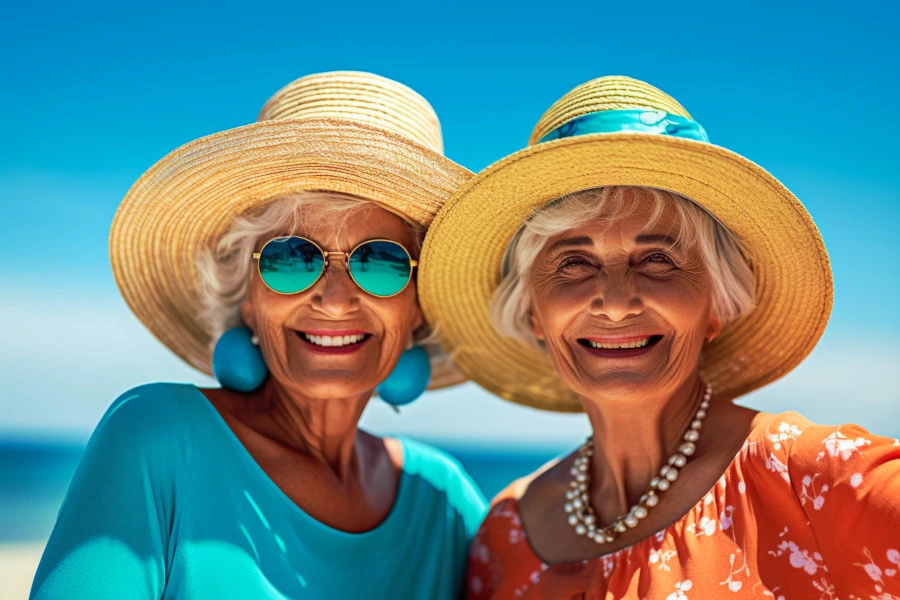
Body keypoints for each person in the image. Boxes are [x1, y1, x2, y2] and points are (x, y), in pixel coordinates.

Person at [418, 75, 900, 598]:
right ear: (534, 315)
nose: (618, 301)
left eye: (658, 259)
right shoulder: (504, 533)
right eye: (574, 263)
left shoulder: (823, 478)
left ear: (715, 307)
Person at [31, 71, 486, 599]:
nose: (335, 298)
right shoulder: (156, 438)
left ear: (419, 308)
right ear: (245, 296)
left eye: (380, 261)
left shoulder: (441, 498)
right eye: (292, 258)